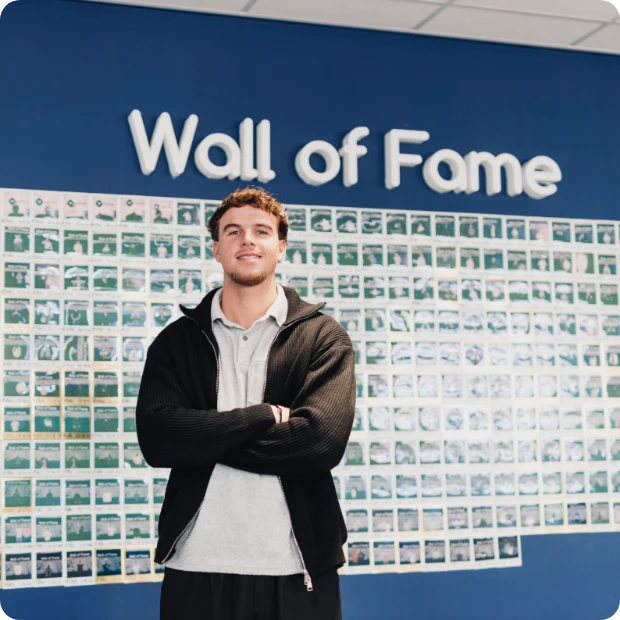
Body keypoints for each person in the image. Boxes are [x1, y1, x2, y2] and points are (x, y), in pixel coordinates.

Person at [136, 187, 356, 620]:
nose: (247, 240)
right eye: (233, 231)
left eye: (261, 231)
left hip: (297, 566)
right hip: (196, 565)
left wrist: (202, 437)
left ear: (281, 246)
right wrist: (261, 417)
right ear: (217, 249)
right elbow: (158, 441)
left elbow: (320, 443)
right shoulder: (177, 341)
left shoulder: (323, 337)